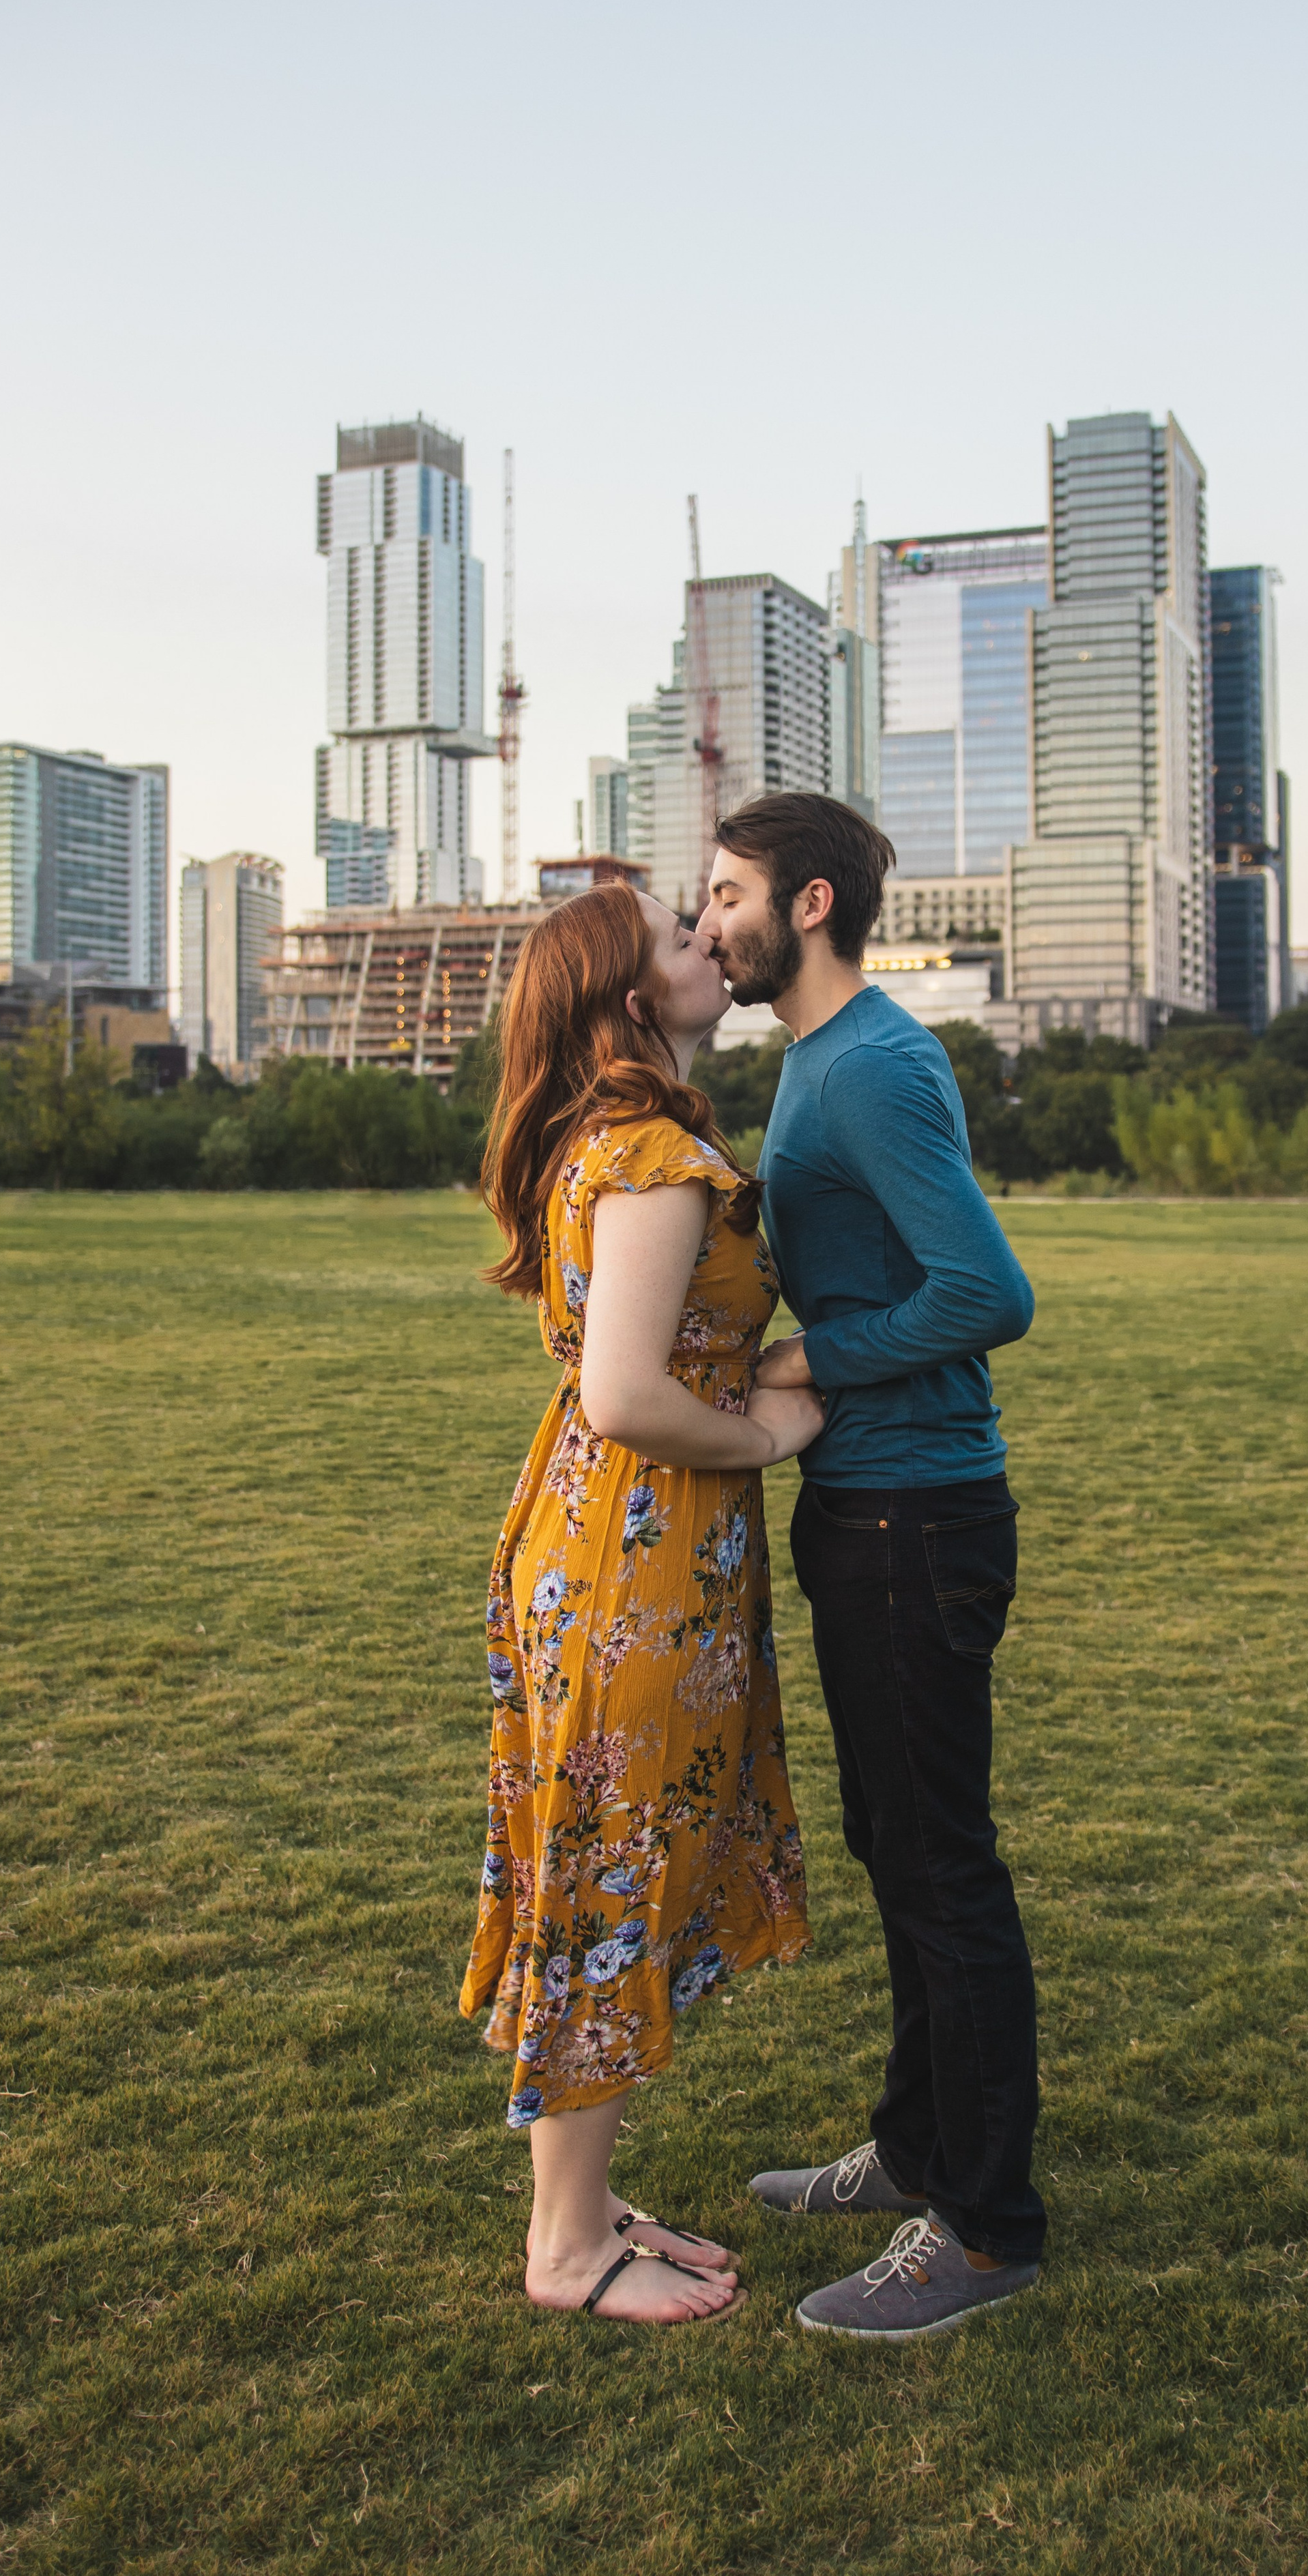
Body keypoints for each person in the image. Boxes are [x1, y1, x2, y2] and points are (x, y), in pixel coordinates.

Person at [695, 791, 1043, 2340]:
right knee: (893, 1845)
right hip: (867, 1505)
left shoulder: (879, 1066)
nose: (708, 922)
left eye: (724, 894)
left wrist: (809, 1358)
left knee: (940, 1865)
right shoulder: (815, 1061)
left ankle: (983, 2227)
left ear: (810, 903)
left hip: (916, 1510)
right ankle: (917, 2149)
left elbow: (988, 1290)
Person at [459, 880, 822, 2325]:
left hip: (597, 1541)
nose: (708, 945)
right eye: (681, 938)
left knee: (594, 1869)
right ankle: (564, 2251)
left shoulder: (602, 1142)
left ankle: (587, 2205)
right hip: (636, 1560)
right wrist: (772, 1438)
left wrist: (783, 1371)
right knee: (608, 1879)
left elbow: (663, 1349)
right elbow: (626, 1392)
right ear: (628, 1002)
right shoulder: (656, 1156)